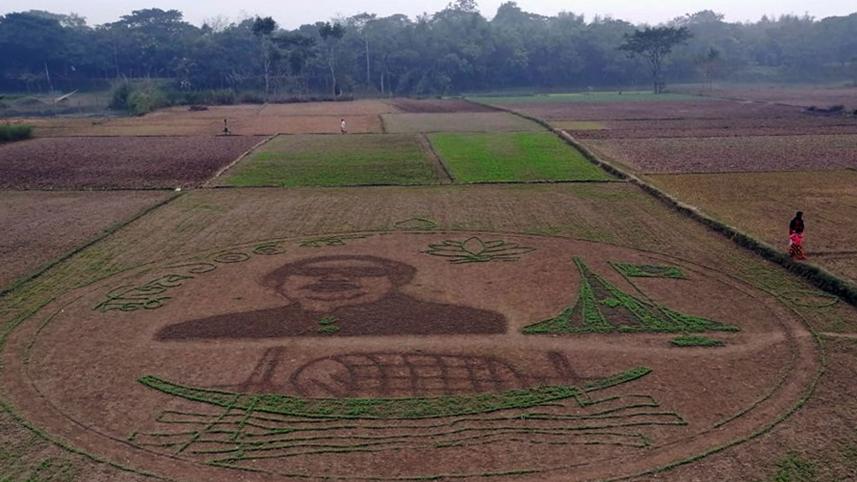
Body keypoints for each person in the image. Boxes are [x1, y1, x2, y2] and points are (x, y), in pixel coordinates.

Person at [156, 255, 506, 340]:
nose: (335, 279)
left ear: (395, 282)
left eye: (364, 272)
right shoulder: (203, 330)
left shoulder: (476, 323)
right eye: (311, 273)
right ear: (279, 284)